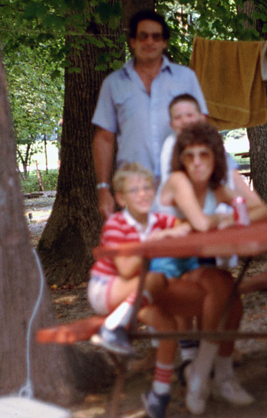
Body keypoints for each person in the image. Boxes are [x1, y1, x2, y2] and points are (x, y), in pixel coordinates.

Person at [155, 121, 267, 414]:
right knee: (223, 286)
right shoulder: (178, 182)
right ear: (180, 160)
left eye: (204, 155)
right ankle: (200, 375)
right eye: (189, 156)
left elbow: (262, 210)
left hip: (195, 265)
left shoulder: (215, 188)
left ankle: (221, 377)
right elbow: (200, 223)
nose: (196, 162)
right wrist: (227, 216)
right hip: (162, 275)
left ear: (215, 158)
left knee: (233, 303)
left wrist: (230, 218)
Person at [87, 162, 190, 418]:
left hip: (137, 294)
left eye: (147, 188)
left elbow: (185, 225)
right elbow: (125, 268)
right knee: (156, 278)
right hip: (106, 288)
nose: (142, 194)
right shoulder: (116, 224)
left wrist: (172, 231)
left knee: (167, 324)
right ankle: (112, 327)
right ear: (121, 198)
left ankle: (159, 393)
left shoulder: (158, 219)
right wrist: (153, 241)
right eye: (134, 190)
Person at [92, 10, 208, 219]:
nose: (149, 41)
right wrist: (103, 188)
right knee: (147, 246)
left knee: (189, 241)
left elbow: (203, 127)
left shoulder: (185, 78)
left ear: (164, 42)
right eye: (143, 36)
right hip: (136, 188)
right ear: (133, 41)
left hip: (183, 180)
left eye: (156, 36)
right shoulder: (113, 84)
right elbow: (104, 138)